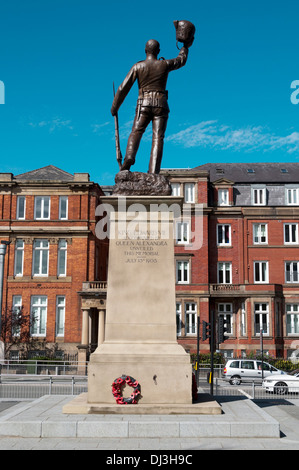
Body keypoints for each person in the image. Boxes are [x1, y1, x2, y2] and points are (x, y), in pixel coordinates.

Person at [111, 39, 191, 174]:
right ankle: (154, 171)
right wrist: (185, 47)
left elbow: (122, 88)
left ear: (145, 50)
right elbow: (180, 60)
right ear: (158, 51)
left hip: (143, 103)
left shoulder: (138, 66)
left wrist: (114, 107)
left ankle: (129, 157)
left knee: (136, 131)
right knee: (158, 137)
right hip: (161, 103)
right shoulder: (164, 64)